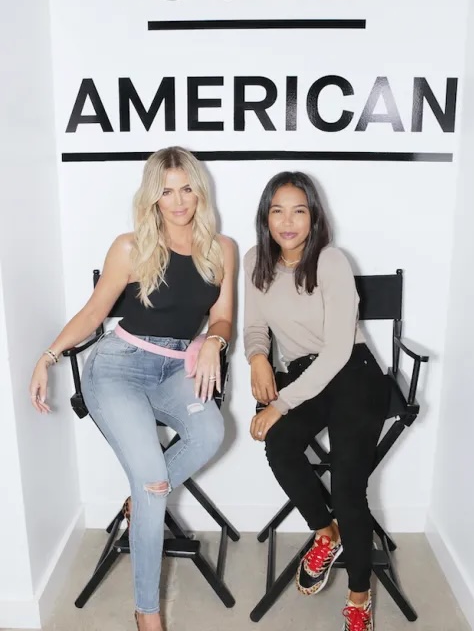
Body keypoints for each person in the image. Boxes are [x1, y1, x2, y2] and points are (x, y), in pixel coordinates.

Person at [29, 147, 234, 631]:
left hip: (175, 370)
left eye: (187, 189)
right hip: (119, 367)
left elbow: (223, 316)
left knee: (209, 433)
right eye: (167, 191)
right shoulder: (131, 247)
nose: (178, 201)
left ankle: (142, 497)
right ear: (152, 197)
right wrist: (48, 357)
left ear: (200, 192)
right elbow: (93, 313)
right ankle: (147, 612)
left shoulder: (220, 248)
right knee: (154, 485)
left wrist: (214, 341)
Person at [244, 171, 388, 631]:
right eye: (277, 211)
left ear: (314, 217)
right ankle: (327, 532)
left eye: (298, 211)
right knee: (280, 445)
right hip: (304, 375)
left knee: (347, 487)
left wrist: (281, 402)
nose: (287, 222)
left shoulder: (330, 261)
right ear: (265, 217)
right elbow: (255, 327)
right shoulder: (254, 261)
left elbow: (338, 350)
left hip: (352, 373)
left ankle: (359, 596)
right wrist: (257, 358)